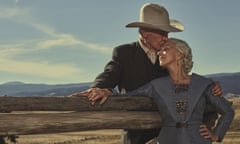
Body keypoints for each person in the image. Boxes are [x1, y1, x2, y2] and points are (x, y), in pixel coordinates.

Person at [71, 3, 222, 144]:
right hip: (136, 135)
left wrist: (208, 85)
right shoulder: (124, 53)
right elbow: (110, 74)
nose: (165, 38)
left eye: (167, 33)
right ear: (145, 33)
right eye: (161, 33)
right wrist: (99, 87)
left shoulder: (168, 55)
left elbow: (183, 80)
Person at [115, 38, 234, 143]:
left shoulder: (203, 84)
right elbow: (126, 97)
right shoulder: (156, 85)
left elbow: (228, 111)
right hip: (167, 140)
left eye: (165, 49)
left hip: (197, 140)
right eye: (160, 50)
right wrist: (106, 91)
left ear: (180, 54)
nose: (159, 53)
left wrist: (216, 135)